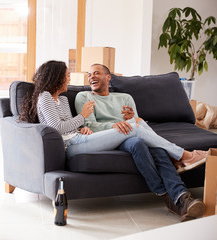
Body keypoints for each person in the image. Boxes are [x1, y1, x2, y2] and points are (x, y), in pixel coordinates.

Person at [19, 60, 206, 221]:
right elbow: (57, 128)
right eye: (66, 75)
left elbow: (70, 125)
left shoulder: (64, 100)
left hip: (80, 137)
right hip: (72, 145)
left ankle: (177, 195)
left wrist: (81, 126)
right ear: (56, 77)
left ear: (109, 77)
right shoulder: (46, 97)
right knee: (136, 128)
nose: (69, 78)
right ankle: (184, 155)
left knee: (141, 132)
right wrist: (83, 117)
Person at [74, 63, 206, 221]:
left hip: (134, 134)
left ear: (108, 77)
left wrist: (129, 120)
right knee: (138, 142)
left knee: (155, 148)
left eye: (96, 73)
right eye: (89, 74)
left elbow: (138, 125)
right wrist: (115, 125)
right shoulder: (83, 96)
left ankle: (181, 198)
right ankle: (181, 159)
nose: (91, 77)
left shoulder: (125, 98)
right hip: (110, 137)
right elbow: (89, 125)